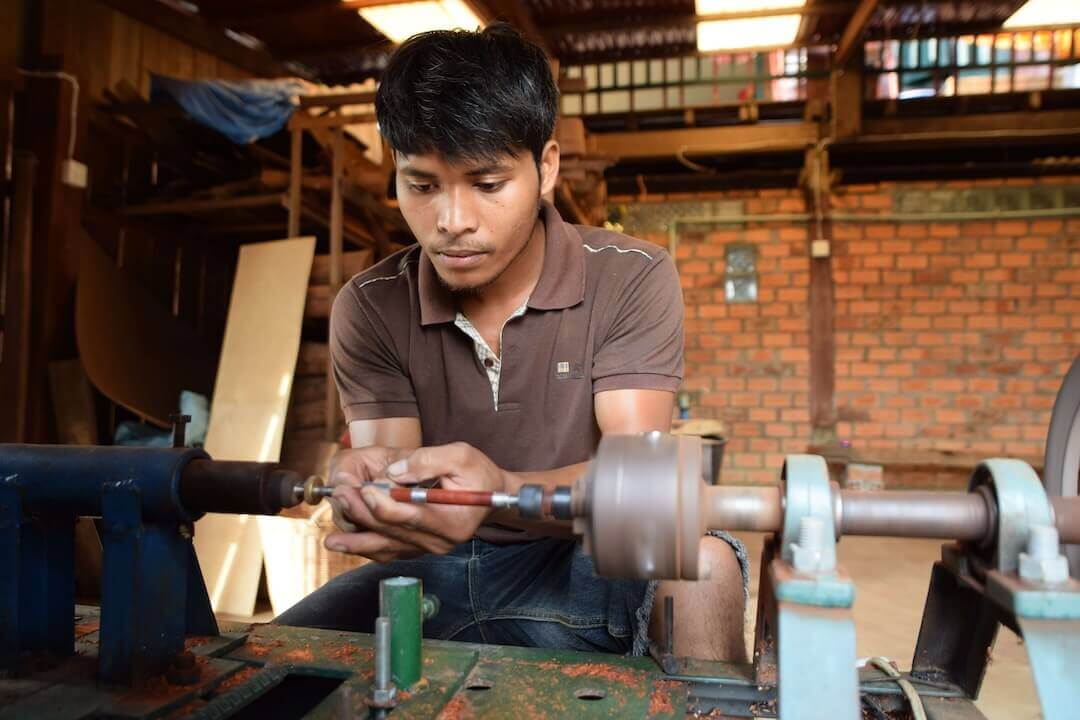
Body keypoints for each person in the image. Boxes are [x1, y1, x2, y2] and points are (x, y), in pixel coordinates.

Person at [275, 23, 747, 661]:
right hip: (435, 571)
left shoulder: (631, 274)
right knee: (266, 669)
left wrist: (500, 484)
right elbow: (398, 493)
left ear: (545, 167)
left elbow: (639, 480)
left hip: (582, 563)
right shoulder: (369, 304)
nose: (452, 221)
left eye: (488, 184)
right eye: (421, 185)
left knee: (705, 562)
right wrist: (371, 499)